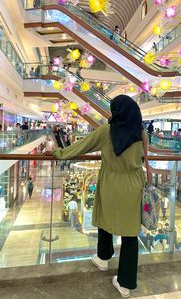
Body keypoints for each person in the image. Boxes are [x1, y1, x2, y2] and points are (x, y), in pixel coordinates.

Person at [51, 95, 146, 297]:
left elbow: (81, 146)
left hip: (112, 181)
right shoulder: (139, 131)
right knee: (130, 234)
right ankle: (125, 283)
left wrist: (59, 153)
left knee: (105, 218)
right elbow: (145, 158)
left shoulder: (107, 131)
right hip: (134, 183)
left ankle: (103, 258)